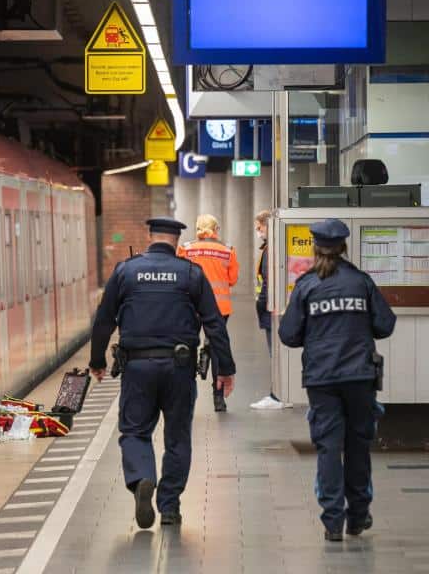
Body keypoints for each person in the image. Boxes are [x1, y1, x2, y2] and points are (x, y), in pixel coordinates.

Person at [90, 217, 236, 529]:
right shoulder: (191, 273)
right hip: (179, 367)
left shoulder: (126, 271)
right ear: (176, 241)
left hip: (137, 367)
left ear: (151, 236)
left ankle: (143, 478)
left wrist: (97, 360)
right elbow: (214, 324)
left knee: (135, 431)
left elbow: (104, 320)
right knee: (178, 437)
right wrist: (226, 369)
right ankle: (169, 507)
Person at [278, 219, 395, 542]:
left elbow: (288, 334)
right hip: (360, 376)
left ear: (315, 247)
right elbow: (385, 325)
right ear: (344, 247)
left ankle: (332, 522)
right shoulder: (361, 282)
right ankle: (358, 516)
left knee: (329, 447)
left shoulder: (306, 285)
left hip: (322, 378)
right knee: (358, 446)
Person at [177, 214, 239, 412]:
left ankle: (187, 395)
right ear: (216, 229)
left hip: (190, 307)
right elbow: (232, 279)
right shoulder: (228, 250)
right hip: (219, 308)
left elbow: (178, 276)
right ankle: (218, 399)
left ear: (197, 229)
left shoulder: (185, 249)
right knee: (219, 348)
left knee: (186, 347)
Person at [250, 209, 288, 410]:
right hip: (274, 308)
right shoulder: (273, 247)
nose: (258, 232)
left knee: (276, 354)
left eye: (259, 227)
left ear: (268, 225)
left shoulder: (270, 250)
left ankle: (278, 395)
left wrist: (261, 305)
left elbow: (267, 283)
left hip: (270, 309)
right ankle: (282, 393)